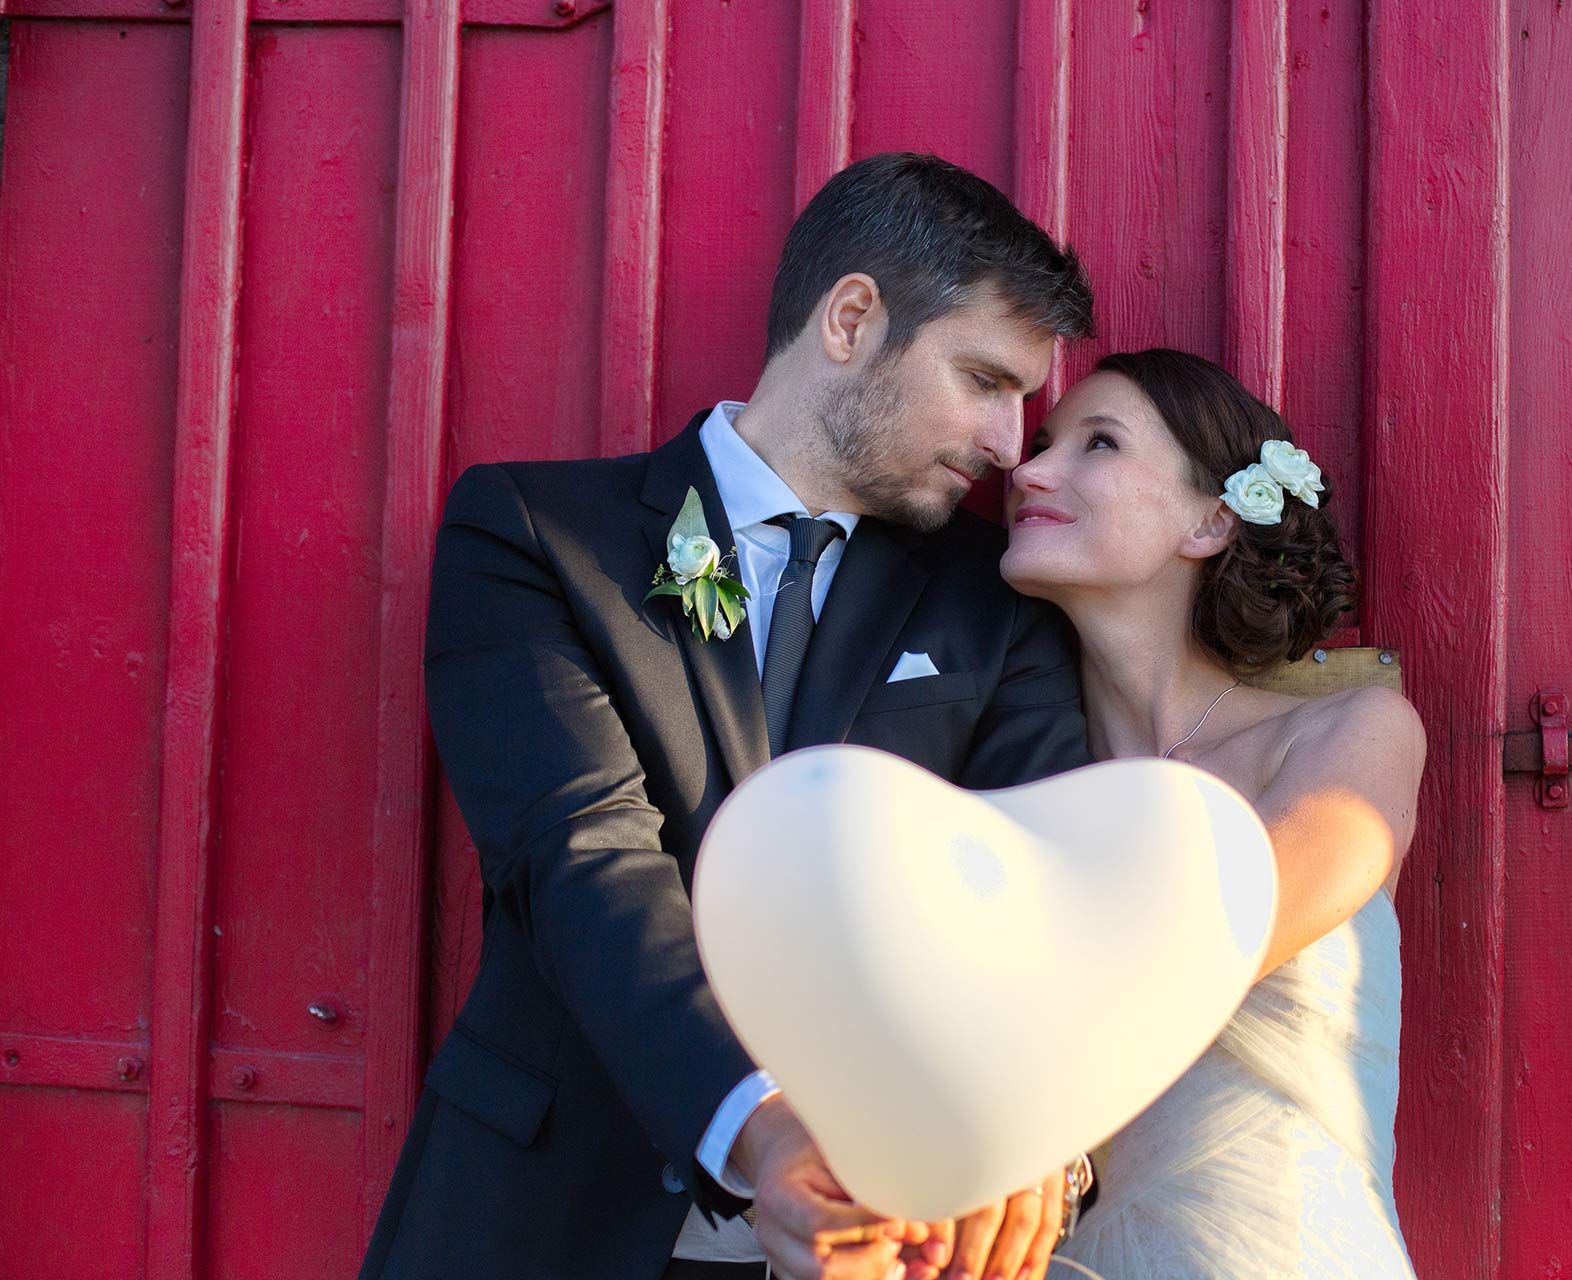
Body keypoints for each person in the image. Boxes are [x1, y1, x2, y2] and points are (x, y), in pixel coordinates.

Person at [358, 152, 1102, 1280]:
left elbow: (1039, 883)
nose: (1010, 442)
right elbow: (581, 854)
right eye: (985, 380)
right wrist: (764, 1135)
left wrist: (1032, 1134)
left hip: (882, 1238)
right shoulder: (534, 534)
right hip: (546, 1215)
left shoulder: (994, 599)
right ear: (851, 319)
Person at [1000, 349, 1426, 1277]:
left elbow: (1223, 937)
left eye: (1097, 444)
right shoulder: (1013, 788)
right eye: (1040, 443)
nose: (1027, 470)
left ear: (1212, 519)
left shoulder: (1349, 736)